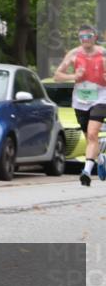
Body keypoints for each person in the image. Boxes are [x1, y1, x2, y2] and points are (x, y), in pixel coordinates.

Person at [54, 24, 106, 186]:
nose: (86, 40)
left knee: (92, 134)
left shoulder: (103, 54)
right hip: (80, 101)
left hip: (100, 99)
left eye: (89, 36)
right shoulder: (74, 54)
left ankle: (86, 171)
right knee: (89, 137)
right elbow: (57, 76)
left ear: (94, 38)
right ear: (79, 39)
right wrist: (74, 75)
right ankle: (101, 159)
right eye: (82, 37)